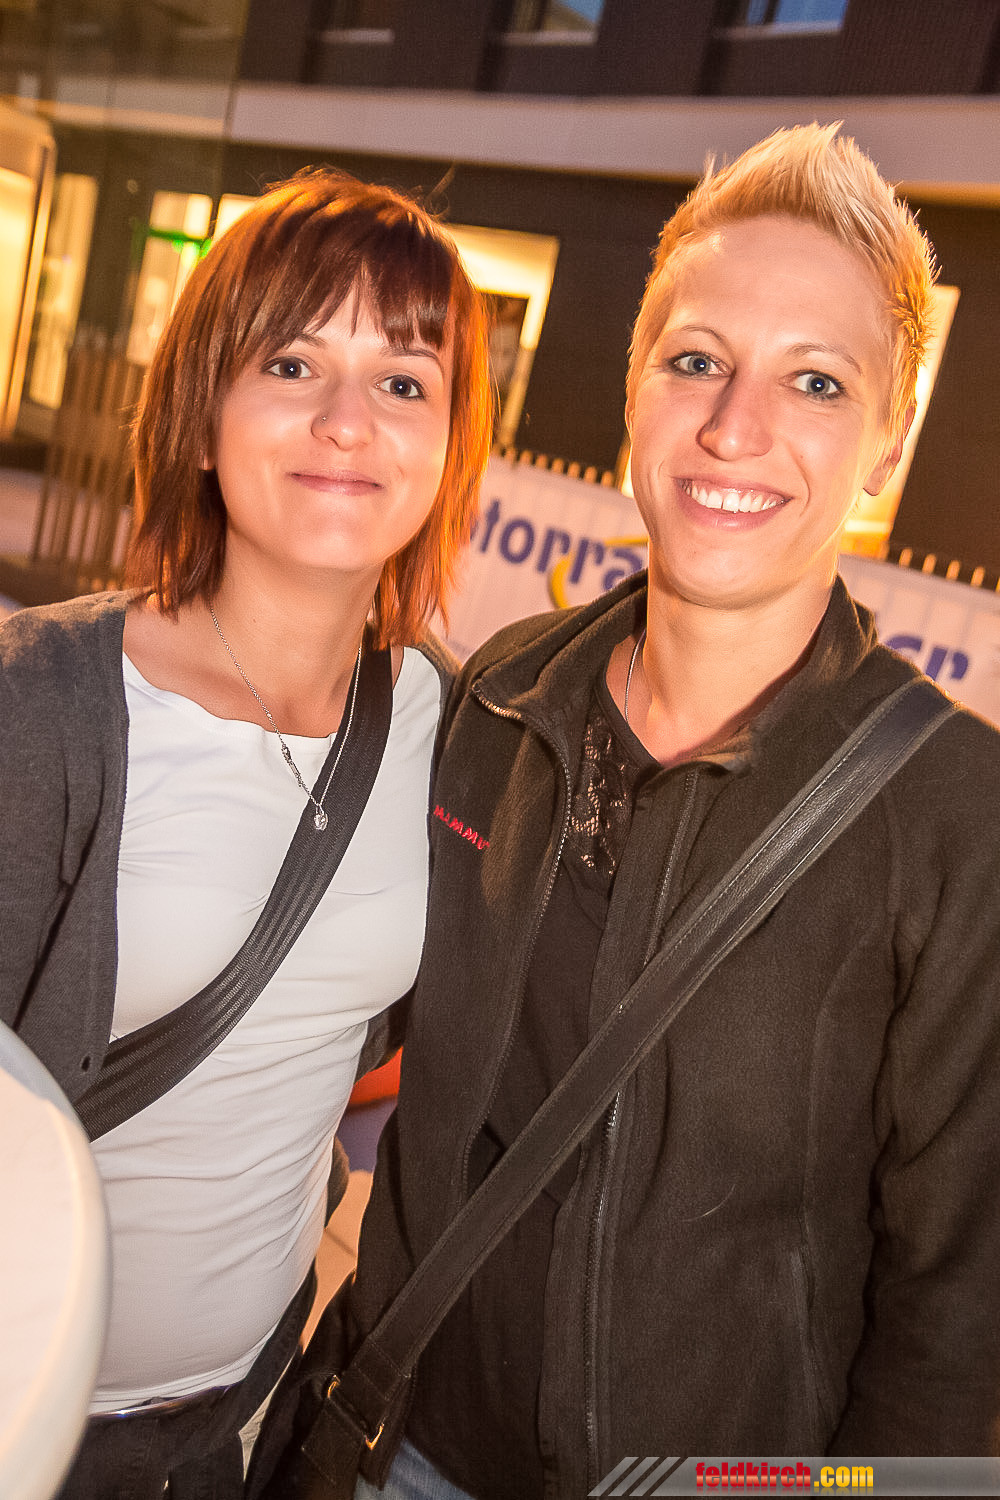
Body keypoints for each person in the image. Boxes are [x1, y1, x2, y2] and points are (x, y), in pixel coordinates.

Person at [298, 124, 1000, 1498]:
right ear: (633, 390)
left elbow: (962, 1317)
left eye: (816, 380)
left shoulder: (956, 818)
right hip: (397, 1440)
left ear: (887, 442)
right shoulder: (502, 696)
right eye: (695, 361)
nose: (735, 428)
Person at [0, 167, 491, 1497]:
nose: (348, 421)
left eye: (404, 380)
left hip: (242, 1421)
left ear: (448, 447)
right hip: (30, 1425)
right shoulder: (43, 703)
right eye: (291, 363)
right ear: (202, 414)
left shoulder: (451, 725)